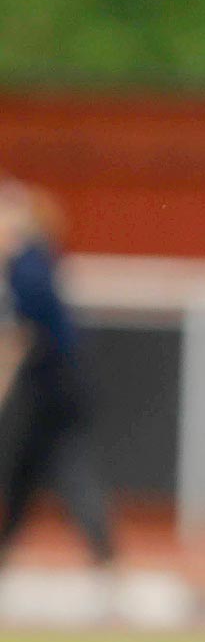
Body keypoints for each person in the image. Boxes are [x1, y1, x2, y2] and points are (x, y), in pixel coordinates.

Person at [0, 181, 116, 570]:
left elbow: (20, 337)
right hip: (48, 385)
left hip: (59, 386)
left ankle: (105, 555)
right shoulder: (24, 264)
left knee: (65, 466)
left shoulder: (28, 269)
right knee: (25, 471)